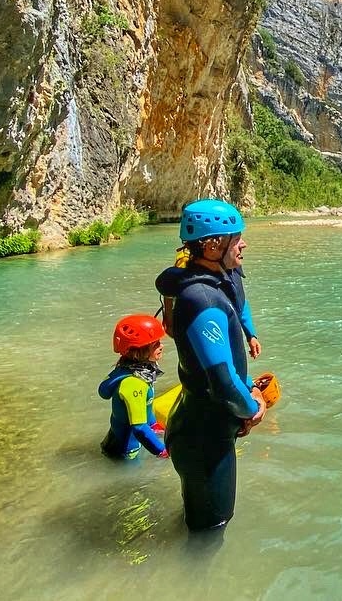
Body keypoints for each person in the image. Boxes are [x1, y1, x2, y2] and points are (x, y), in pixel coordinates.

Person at [156, 199, 266, 533]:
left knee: (203, 522)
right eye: (237, 237)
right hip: (202, 440)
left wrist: (244, 396)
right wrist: (252, 407)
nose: (243, 243)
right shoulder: (202, 301)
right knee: (209, 532)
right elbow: (221, 381)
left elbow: (222, 374)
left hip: (205, 428)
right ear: (213, 244)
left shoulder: (213, 285)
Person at [98, 314, 169, 460]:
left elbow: (146, 405)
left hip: (122, 441)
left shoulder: (136, 370)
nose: (161, 346)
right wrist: (163, 451)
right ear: (137, 351)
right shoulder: (134, 384)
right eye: (155, 344)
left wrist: (154, 424)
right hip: (125, 452)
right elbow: (139, 428)